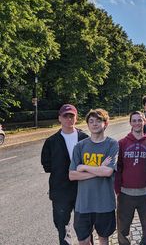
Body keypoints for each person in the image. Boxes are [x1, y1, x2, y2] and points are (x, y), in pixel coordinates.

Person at [69, 109, 119, 245]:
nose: (94, 124)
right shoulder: (80, 146)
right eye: (91, 121)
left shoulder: (112, 144)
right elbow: (72, 175)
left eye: (98, 121)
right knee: (83, 241)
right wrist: (99, 169)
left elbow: (108, 172)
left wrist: (84, 167)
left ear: (106, 123)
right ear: (87, 124)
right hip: (83, 204)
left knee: (104, 239)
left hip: (105, 204)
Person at [41, 104, 88, 245]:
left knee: (85, 225)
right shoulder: (51, 141)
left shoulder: (84, 138)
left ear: (76, 117)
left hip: (83, 188)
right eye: (65, 116)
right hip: (60, 190)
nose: (68, 119)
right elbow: (46, 164)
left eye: (71, 116)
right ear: (59, 118)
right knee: (62, 226)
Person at [114, 111, 146, 245]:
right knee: (123, 226)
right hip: (126, 193)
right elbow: (118, 167)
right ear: (130, 123)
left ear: (144, 122)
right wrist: (118, 188)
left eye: (140, 120)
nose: (137, 123)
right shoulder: (122, 143)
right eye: (134, 120)